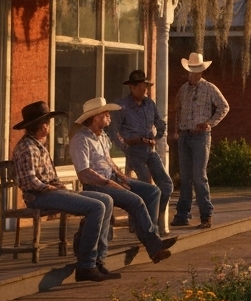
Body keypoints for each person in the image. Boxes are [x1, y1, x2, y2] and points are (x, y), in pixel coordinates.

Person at [10, 101, 118, 282]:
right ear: (39, 126)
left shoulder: (40, 145)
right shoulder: (27, 147)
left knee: (106, 200)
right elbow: (29, 182)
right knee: (96, 207)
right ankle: (86, 265)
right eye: (46, 123)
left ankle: (98, 260)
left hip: (52, 192)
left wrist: (60, 187)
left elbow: (50, 177)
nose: (48, 126)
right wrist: (52, 188)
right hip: (39, 196)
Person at [70, 97, 175, 265]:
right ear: (95, 117)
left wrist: (121, 177)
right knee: (136, 201)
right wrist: (109, 183)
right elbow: (84, 173)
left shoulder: (102, 136)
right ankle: (154, 245)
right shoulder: (81, 139)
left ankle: (151, 239)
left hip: (112, 179)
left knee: (153, 191)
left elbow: (108, 161)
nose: (109, 116)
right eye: (105, 113)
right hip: (96, 185)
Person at [109, 71, 172, 229]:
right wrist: (126, 147)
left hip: (150, 149)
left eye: (146, 86)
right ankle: (143, 224)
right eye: (142, 86)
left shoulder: (149, 104)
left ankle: (155, 217)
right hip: (134, 150)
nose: (145, 89)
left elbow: (159, 122)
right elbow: (114, 131)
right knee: (144, 186)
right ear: (132, 87)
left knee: (166, 185)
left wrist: (158, 136)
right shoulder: (122, 106)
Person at [174, 52, 229, 229]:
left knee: (199, 176)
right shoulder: (183, 89)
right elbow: (178, 109)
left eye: (197, 69)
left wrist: (210, 123)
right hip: (185, 135)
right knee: (186, 178)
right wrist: (177, 129)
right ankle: (183, 214)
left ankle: (206, 214)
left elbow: (224, 106)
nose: (194, 72)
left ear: (201, 71)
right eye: (192, 69)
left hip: (200, 136)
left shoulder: (209, 88)